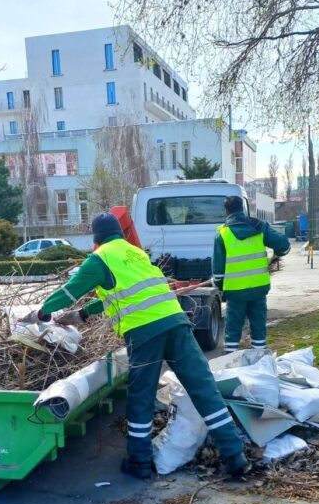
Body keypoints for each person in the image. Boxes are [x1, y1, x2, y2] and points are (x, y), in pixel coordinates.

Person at [24, 212, 248, 479]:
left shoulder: (101, 258)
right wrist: (83, 314)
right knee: (203, 387)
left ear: (96, 239)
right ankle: (235, 455)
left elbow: (70, 291)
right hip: (177, 323)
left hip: (144, 332)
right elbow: (126, 293)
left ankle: (140, 462)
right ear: (120, 232)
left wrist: (42, 312)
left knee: (142, 396)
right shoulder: (136, 254)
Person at [213, 196, 291, 354]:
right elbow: (284, 245)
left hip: (235, 292)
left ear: (226, 211)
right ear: (242, 208)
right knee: (258, 328)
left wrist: (222, 288)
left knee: (233, 331)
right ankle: (260, 361)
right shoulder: (260, 227)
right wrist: (276, 256)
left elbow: (218, 274)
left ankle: (231, 363)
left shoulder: (222, 234)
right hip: (259, 288)